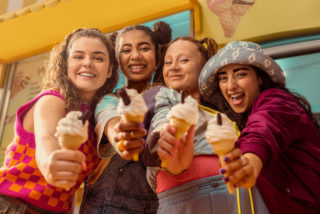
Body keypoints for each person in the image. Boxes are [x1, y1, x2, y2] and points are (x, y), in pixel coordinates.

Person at [141, 37, 269, 214]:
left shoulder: (227, 109)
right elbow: (162, 123)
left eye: (184, 60)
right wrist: (165, 140)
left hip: (243, 195)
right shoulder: (164, 96)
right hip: (189, 198)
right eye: (168, 62)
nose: (173, 67)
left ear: (205, 67)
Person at [0, 28, 118, 214]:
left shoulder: (94, 118)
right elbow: (47, 138)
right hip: (9, 205)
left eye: (98, 58)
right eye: (78, 56)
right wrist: (49, 164)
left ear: (110, 70)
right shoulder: (53, 99)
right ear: (65, 64)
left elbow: (68, 189)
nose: (87, 63)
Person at [199, 41, 320, 213]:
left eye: (240, 74)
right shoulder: (238, 121)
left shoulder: (276, 100)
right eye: (223, 78)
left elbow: (264, 128)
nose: (231, 85)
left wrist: (249, 160)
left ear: (261, 78)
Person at [79, 22, 172, 214]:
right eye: (126, 50)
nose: (135, 56)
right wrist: (120, 135)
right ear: (118, 61)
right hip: (98, 205)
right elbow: (109, 118)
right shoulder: (109, 99)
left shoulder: (168, 97)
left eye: (144, 48)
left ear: (157, 55)